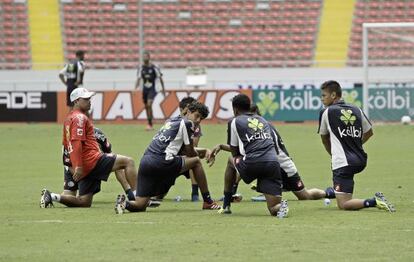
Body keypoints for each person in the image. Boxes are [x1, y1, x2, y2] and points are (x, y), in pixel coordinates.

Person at [213, 104, 336, 203]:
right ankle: (234, 193)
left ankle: (328, 193)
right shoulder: (258, 127)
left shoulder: (264, 127)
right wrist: (222, 146)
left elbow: (244, 152)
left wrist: (222, 147)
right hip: (271, 163)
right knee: (243, 162)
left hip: (284, 166)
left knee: (305, 196)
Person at [114, 101, 221, 214]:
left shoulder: (171, 121)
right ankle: (208, 201)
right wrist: (203, 153)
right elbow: (189, 152)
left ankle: (124, 203)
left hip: (146, 161)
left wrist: (203, 151)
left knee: (141, 205)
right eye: (197, 116)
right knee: (196, 162)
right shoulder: (187, 123)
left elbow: (182, 149)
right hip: (161, 160)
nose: (199, 120)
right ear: (189, 112)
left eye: (202, 119)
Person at [40, 87, 137, 208]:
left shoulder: (69, 118)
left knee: (84, 202)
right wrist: (78, 166)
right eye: (85, 99)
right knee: (128, 162)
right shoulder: (80, 118)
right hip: (91, 161)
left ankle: (52, 196)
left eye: (89, 98)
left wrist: (73, 165)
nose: (89, 101)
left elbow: (67, 144)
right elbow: (76, 143)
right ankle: (137, 198)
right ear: (76, 101)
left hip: (81, 163)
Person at [318, 80, 395, 212]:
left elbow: (324, 139)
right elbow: (369, 132)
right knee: (344, 192)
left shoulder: (326, 112)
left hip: (342, 162)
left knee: (343, 204)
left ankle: (374, 201)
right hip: (360, 160)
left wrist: (334, 153)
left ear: (333, 95)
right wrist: (355, 145)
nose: (322, 99)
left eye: (324, 95)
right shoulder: (356, 109)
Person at [209, 94, 289, 217]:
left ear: (235, 109)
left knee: (231, 161)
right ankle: (281, 207)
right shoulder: (263, 120)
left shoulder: (234, 122)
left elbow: (235, 153)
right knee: (273, 208)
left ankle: (226, 205)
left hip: (253, 162)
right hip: (273, 163)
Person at [62, 127, 136, 201]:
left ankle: (131, 194)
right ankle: (53, 197)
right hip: (73, 167)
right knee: (68, 196)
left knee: (119, 163)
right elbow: (68, 163)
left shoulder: (97, 134)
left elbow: (113, 157)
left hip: (93, 165)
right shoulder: (70, 139)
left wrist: (128, 192)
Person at [134, 51, 166, 131]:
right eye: (144, 56)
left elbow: (160, 78)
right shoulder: (141, 68)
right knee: (146, 106)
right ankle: (149, 122)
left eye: (146, 56)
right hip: (145, 90)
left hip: (152, 89)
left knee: (149, 104)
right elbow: (138, 79)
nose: (145, 58)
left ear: (149, 57)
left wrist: (163, 89)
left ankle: (150, 124)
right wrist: (135, 88)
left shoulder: (154, 68)